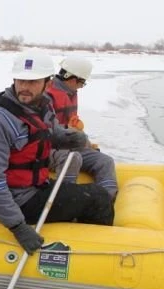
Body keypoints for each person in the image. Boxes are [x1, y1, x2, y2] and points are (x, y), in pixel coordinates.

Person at [0, 50, 114, 255]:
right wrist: (18, 227)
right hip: (16, 201)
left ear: (48, 83)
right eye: (21, 80)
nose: (25, 88)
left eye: (33, 82)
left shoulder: (42, 105)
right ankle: (100, 254)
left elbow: (49, 133)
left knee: (89, 192)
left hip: (35, 187)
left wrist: (70, 138)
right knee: (98, 199)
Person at [46, 56, 118, 199]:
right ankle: (65, 200)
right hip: (48, 149)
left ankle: (106, 200)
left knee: (105, 161)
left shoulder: (70, 93)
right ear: (73, 79)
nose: (80, 87)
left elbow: (72, 128)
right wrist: (70, 130)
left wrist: (86, 143)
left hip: (69, 144)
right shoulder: (46, 96)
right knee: (72, 159)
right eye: (82, 83)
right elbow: (43, 128)